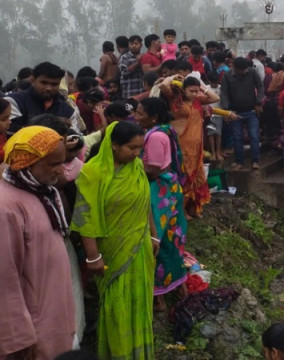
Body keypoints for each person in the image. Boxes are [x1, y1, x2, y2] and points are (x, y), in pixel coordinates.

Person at [71, 121, 157, 359]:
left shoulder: (136, 166)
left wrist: (152, 234)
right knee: (117, 306)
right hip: (111, 252)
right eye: (132, 147)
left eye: (140, 147)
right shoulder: (93, 172)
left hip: (140, 248)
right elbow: (85, 216)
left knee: (140, 303)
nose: (137, 153)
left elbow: (144, 201)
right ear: (114, 145)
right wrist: (93, 256)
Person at [0, 126, 75, 359]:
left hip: (53, 310)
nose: (60, 170)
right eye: (53, 164)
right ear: (27, 163)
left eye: (61, 162)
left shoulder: (42, 191)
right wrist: (17, 337)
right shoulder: (6, 207)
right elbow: (5, 278)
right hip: (33, 326)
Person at [135, 97, 189, 310]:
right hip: (168, 189)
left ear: (153, 116)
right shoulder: (164, 130)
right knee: (170, 237)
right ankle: (176, 288)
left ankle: (158, 296)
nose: (136, 117)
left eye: (140, 113)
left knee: (157, 237)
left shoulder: (156, 136)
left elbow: (153, 169)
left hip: (160, 191)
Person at [160, 75, 217, 219]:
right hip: (180, 144)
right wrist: (172, 77)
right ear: (183, 90)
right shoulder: (174, 99)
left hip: (196, 146)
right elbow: (164, 86)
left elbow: (215, 98)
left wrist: (202, 88)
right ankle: (181, 209)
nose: (193, 94)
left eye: (195, 91)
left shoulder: (198, 100)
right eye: (191, 91)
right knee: (183, 176)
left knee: (196, 176)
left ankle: (192, 208)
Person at [5, 62, 75, 135]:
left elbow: (75, 136)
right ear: (33, 81)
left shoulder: (67, 110)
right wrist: (53, 123)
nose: (49, 88)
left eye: (54, 84)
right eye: (44, 83)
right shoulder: (13, 101)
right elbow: (9, 130)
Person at [221, 57, 264, 170]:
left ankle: (255, 161)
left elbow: (260, 87)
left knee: (254, 136)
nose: (243, 72)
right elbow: (224, 93)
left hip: (251, 110)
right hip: (235, 111)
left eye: (244, 69)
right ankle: (240, 161)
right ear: (235, 68)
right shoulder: (227, 75)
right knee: (237, 137)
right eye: (240, 70)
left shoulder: (252, 72)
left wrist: (259, 101)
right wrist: (227, 109)